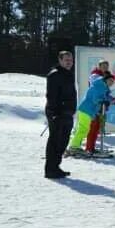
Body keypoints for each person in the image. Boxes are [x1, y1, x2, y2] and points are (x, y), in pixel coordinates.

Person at [44, 50, 77, 179]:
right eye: (66, 60)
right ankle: (50, 169)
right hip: (57, 113)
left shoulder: (69, 74)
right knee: (55, 141)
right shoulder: (54, 75)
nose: (69, 62)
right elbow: (51, 96)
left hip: (67, 113)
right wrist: (54, 113)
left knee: (63, 141)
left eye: (71, 60)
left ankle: (56, 167)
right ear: (60, 60)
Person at [67, 71, 115, 154]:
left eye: (113, 81)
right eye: (110, 80)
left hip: (90, 110)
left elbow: (105, 97)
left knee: (86, 129)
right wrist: (105, 101)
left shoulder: (103, 87)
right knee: (83, 129)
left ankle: (79, 146)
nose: (111, 83)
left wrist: (111, 100)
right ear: (105, 80)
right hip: (86, 109)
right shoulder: (98, 87)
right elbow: (96, 99)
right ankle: (74, 146)